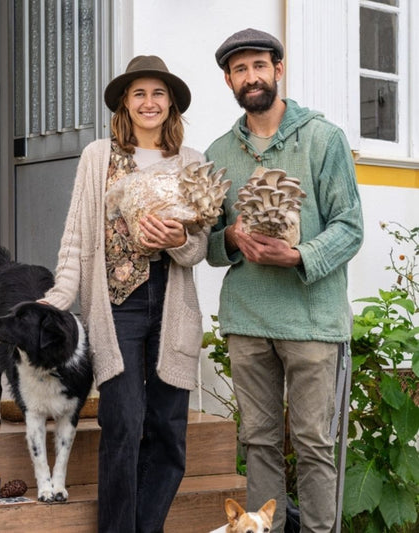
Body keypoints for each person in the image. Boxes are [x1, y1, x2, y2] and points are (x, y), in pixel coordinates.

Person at [40, 55, 207, 533]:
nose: (149, 102)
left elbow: (199, 247)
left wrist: (180, 242)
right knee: (124, 424)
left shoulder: (192, 162)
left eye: (158, 93)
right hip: (117, 306)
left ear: (171, 101)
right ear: (125, 104)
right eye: (139, 94)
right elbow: (76, 236)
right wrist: (60, 295)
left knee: (169, 430)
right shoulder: (99, 156)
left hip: (172, 303)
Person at [205, 28, 363, 532]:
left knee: (316, 445)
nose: (250, 76)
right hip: (248, 318)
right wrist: (230, 236)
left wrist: (298, 254)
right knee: (258, 441)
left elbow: (350, 227)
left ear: (278, 69)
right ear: (229, 81)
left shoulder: (323, 137)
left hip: (313, 321)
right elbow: (207, 244)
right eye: (239, 69)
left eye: (258, 65)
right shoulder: (218, 152)